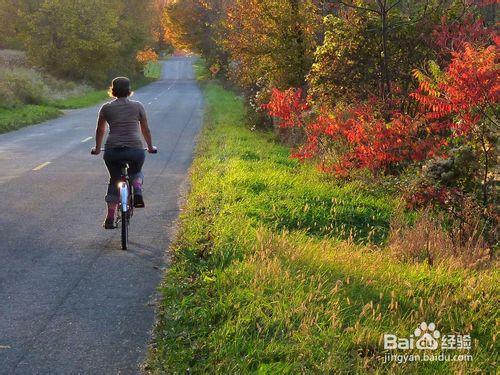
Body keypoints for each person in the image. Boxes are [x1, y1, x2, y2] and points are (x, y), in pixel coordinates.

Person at [91, 77, 157, 229]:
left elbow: (100, 130)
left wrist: (97, 148)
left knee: (114, 179)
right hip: (135, 150)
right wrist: (150, 146)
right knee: (136, 172)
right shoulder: (138, 106)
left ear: (112, 90)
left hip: (112, 151)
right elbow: (145, 130)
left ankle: (110, 217)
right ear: (129, 90)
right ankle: (138, 189)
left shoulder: (106, 108)